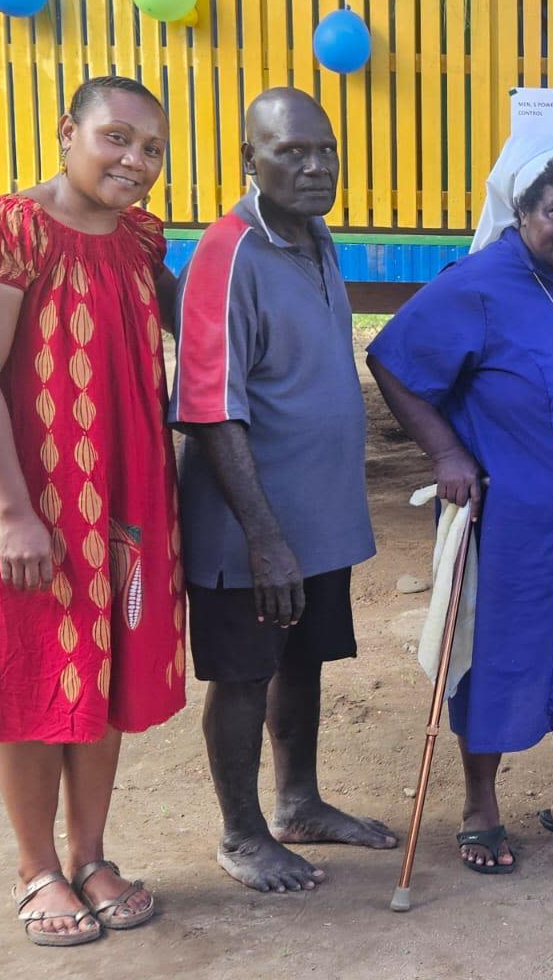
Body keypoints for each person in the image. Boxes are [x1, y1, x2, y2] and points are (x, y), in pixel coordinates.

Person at [367, 136, 553, 873]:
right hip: (515, 518)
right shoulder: (477, 283)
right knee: (497, 654)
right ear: (522, 211)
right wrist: (447, 453)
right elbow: (392, 358)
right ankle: (481, 808)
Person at [0, 76, 183, 945]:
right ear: (66, 134)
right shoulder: (7, 231)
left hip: (122, 499)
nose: (136, 160)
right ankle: (35, 867)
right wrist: (13, 512)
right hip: (33, 503)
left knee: (109, 668)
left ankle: (90, 855)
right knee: (34, 672)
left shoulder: (137, 237)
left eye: (153, 148)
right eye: (117, 138)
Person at [171, 89, 393, 894]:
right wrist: (263, 536)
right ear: (249, 161)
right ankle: (242, 834)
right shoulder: (226, 255)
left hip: (317, 520)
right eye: (291, 151)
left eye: (324, 150)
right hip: (247, 528)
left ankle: (299, 803)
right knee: (242, 672)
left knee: (302, 658)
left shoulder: (316, 236)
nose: (314, 166)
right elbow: (209, 408)